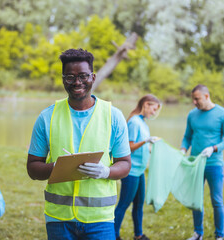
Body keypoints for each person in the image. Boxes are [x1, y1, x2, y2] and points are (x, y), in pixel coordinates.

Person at [27, 48, 131, 240]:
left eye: (83, 76)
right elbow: (32, 168)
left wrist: (106, 171)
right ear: (62, 79)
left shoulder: (113, 116)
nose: (77, 82)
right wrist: (56, 168)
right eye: (70, 77)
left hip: (100, 220)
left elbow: (125, 164)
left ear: (92, 77)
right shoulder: (47, 117)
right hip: (59, 219)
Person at [181, 84, 224, 240]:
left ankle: (219, 236)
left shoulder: (223, 114)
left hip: (214, 164)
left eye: (197, 99)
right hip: (195, 163)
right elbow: (187, 137)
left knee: (216, 201)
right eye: (193, 99)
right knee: (196, 199)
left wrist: (214, 148)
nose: (194, 102)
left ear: (206, 96)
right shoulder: (192, 115)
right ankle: (198, 233)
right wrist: (183, 149)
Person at [114, 94, 161, 240]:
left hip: (140, 171)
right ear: (146, 105)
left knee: (139, 204)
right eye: (153, 109)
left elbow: (142, 146)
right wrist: (146, 141)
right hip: (131, 171)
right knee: (124, 204)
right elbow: (129, 147)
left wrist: (154, 149)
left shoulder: (143, 122)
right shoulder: (134, 122)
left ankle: (138, 235)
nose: (154, 113)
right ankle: (113, 235)